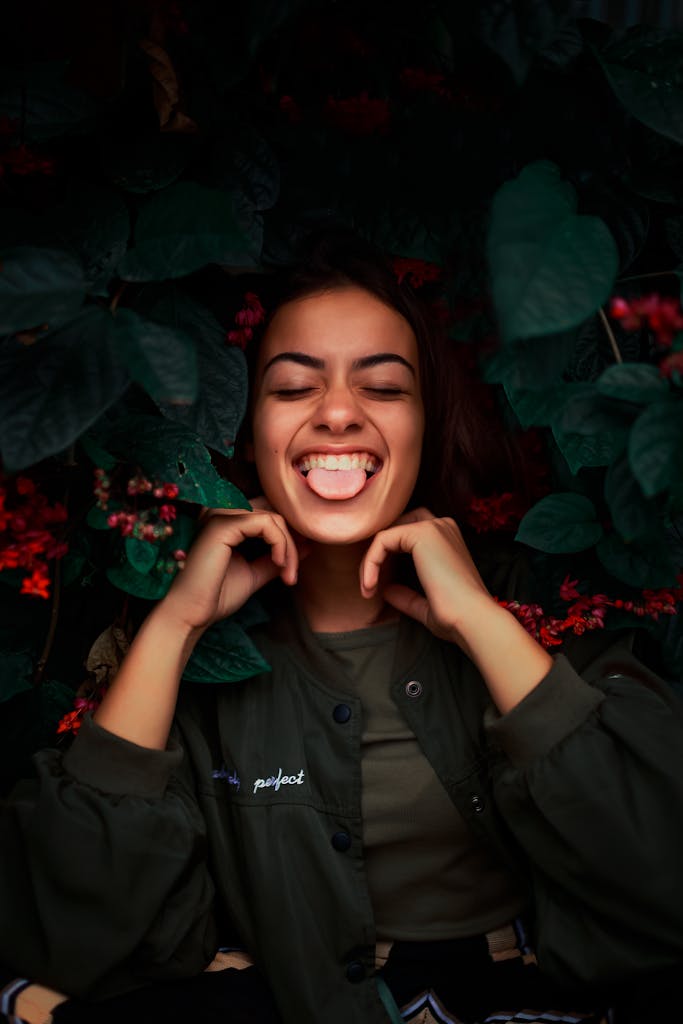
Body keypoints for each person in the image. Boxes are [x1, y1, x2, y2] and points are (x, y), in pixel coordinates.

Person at [2, 231, 683, 1024]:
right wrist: (175, 626)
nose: (336, 413)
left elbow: (660, 877)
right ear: (248, 435)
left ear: (425, 426)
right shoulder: (205, 665)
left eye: (384, 388)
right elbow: (67, 927)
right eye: (292, 388)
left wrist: (478, 621)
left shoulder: (545, 606)